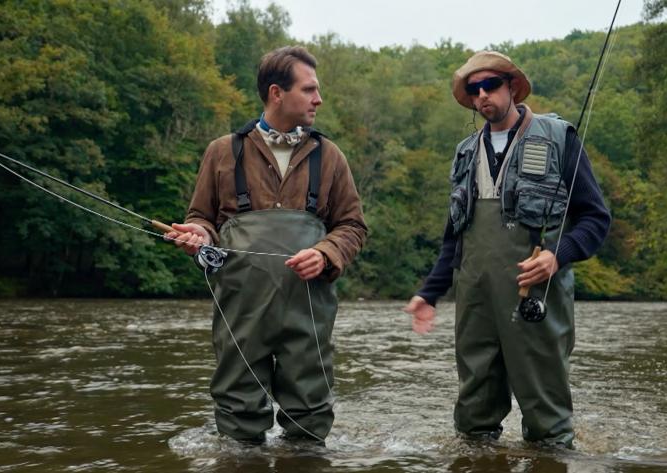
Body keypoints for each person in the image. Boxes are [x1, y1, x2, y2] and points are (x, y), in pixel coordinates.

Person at [404, 51, 611, 448]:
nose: (483, 95)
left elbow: (595, 218)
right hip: (475, 299)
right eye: (474, 89)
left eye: (491, 85)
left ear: (512, 87)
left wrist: (558, 255)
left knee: (546, 418)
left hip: (534, 294)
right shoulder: (465, 153)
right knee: (473, 416)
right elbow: (455, 237)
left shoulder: (558, 138)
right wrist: (429, 293)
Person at [164, 46, 367, 444]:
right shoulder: (221, 152)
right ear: (277, 93)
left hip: (308, 309)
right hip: (241, 311)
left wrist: (326, 253)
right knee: (238, 426)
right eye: (309, 90)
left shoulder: (330, 157)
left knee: (309, 424)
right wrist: (199, 236)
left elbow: (352, 226)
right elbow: (200, 218)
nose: (318, 99)